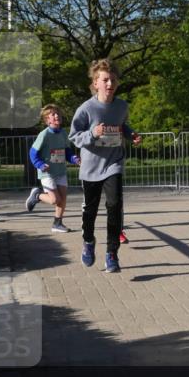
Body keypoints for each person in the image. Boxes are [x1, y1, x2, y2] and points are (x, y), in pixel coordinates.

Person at [70, 58, 142, 274]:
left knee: (114, 205)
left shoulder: (121, 106)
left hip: (114, 163)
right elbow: (74, 136)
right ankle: (89, 242)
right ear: (96, 82)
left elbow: (122, 126)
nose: (110, 84)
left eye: (113, 80)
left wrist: (131, 135)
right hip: (91, 167)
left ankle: (112, 254)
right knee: (90, 211)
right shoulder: (86, 109)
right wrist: (93, 133)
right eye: (105, 80)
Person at [25, 104, 81, 232]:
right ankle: (38, 195)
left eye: (58, 114)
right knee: (55, 200)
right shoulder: (44, 135)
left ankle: (57, 224)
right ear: (47, 120)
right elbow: (33, 153)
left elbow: (67, 151)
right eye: (53, 114)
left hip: (60, 170)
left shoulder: (63, 133)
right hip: (47, 172)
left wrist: (74, 159)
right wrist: (39, 164)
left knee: (63, 198)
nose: (57, 116)